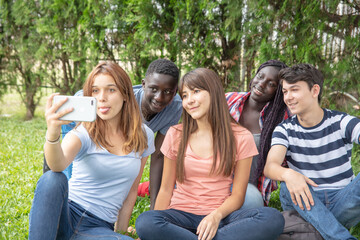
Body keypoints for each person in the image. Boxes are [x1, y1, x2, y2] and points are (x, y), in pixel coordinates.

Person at [135, 68, 285, 240]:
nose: (189, 100)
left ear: (213, 92)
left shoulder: (241, 137)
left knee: (272, 217)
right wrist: (152, 230)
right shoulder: (175, 134)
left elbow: (238, 195)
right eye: (185, 95)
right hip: (180, 217)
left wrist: (215, 216)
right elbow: (166, 189)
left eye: (196, 92)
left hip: (221, 218)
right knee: (145, 222)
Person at [29, 62, 155, 240]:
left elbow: (132, 190)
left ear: (125, 94)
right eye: (95, 91)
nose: (101, 98)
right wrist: (53, 132)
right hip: (64, 215)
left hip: (97, 228)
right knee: (52, 178)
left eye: (111, 90)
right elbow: (56, 165)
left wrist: (121, 230)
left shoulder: (144, 136)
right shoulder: (84, 132)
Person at [43, 59, 182, 209]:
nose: (159, 97)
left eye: (168, 92)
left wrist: (155, 207)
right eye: (154, 89)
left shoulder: (175, 106)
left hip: (112, 130)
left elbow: (159, 155)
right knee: (66, 174)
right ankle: (51, 195)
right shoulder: (127, 100)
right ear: (143, 85)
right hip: (82, 115)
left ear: (176, 91)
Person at [264, 63, 360, 240]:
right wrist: (289, 174)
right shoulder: (284, 130)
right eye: (285, 92)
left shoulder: (341, 121)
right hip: (304, 199)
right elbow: (270, 166)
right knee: (286, 185)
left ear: (315, 90)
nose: (288, 97)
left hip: (342, 200)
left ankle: (317, 228)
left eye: (294, 90)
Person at [226, 60, 289, 207]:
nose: (261, 84)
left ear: (279, 92)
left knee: (253, 202)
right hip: (213, 181)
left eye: (271, 84)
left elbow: (285, 162)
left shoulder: (281, 121)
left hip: (245, 190)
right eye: (260, 76)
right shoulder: (227, 100)